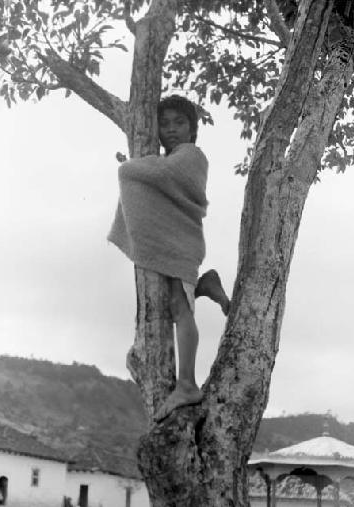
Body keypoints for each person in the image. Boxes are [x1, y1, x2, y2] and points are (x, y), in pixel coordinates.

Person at [108, 94, 230, 423]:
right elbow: (156, 178)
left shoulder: (191, 155)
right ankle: (206, 284)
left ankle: (187, 383)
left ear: (192, 129)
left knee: (180, 308)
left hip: (182, 243)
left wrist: (130, 168)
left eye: (180, 123)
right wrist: (140, 167)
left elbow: (161, 177)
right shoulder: (168, 157)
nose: (172, 129)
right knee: (176, 300)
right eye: (165, 124)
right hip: (176, 245)